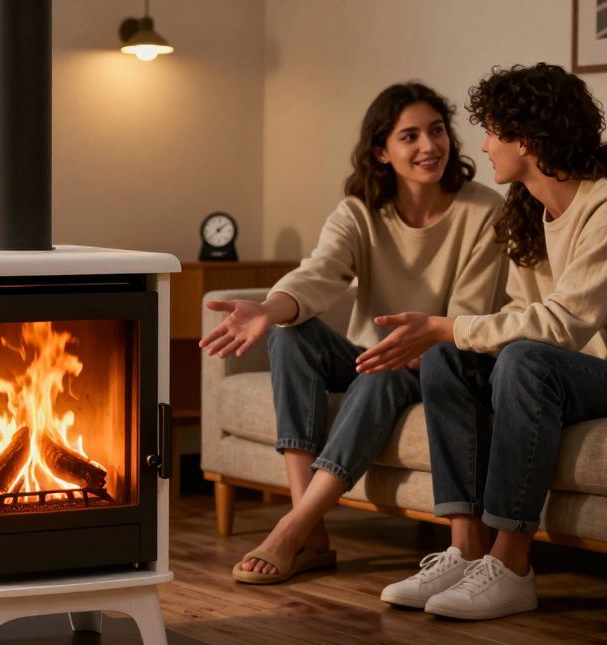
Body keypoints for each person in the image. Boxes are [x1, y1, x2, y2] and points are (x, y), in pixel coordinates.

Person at [356, 63, 607, 620]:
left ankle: (511, 567)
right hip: (581, 374)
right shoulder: (530, 210)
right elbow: (518, 311)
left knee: (525, 359)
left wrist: (448, 323)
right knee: (447, 357)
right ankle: (465, 548)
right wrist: (448, 337)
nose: (482, 146)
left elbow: (562, 325)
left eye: (491, 131)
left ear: (526, 139)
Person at [200, 82, 507, 584]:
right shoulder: (360, 209)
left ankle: (292, 528)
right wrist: (270, 307)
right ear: (382, 151)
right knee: (289, 332)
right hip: (368, 353)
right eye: (409, 136)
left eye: (436, 131)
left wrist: (419, 345)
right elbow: (319, 274)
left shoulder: (483, 210)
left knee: (380, 375)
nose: (429, 146)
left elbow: (467, 313)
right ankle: (312, 526)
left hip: (435, 358)